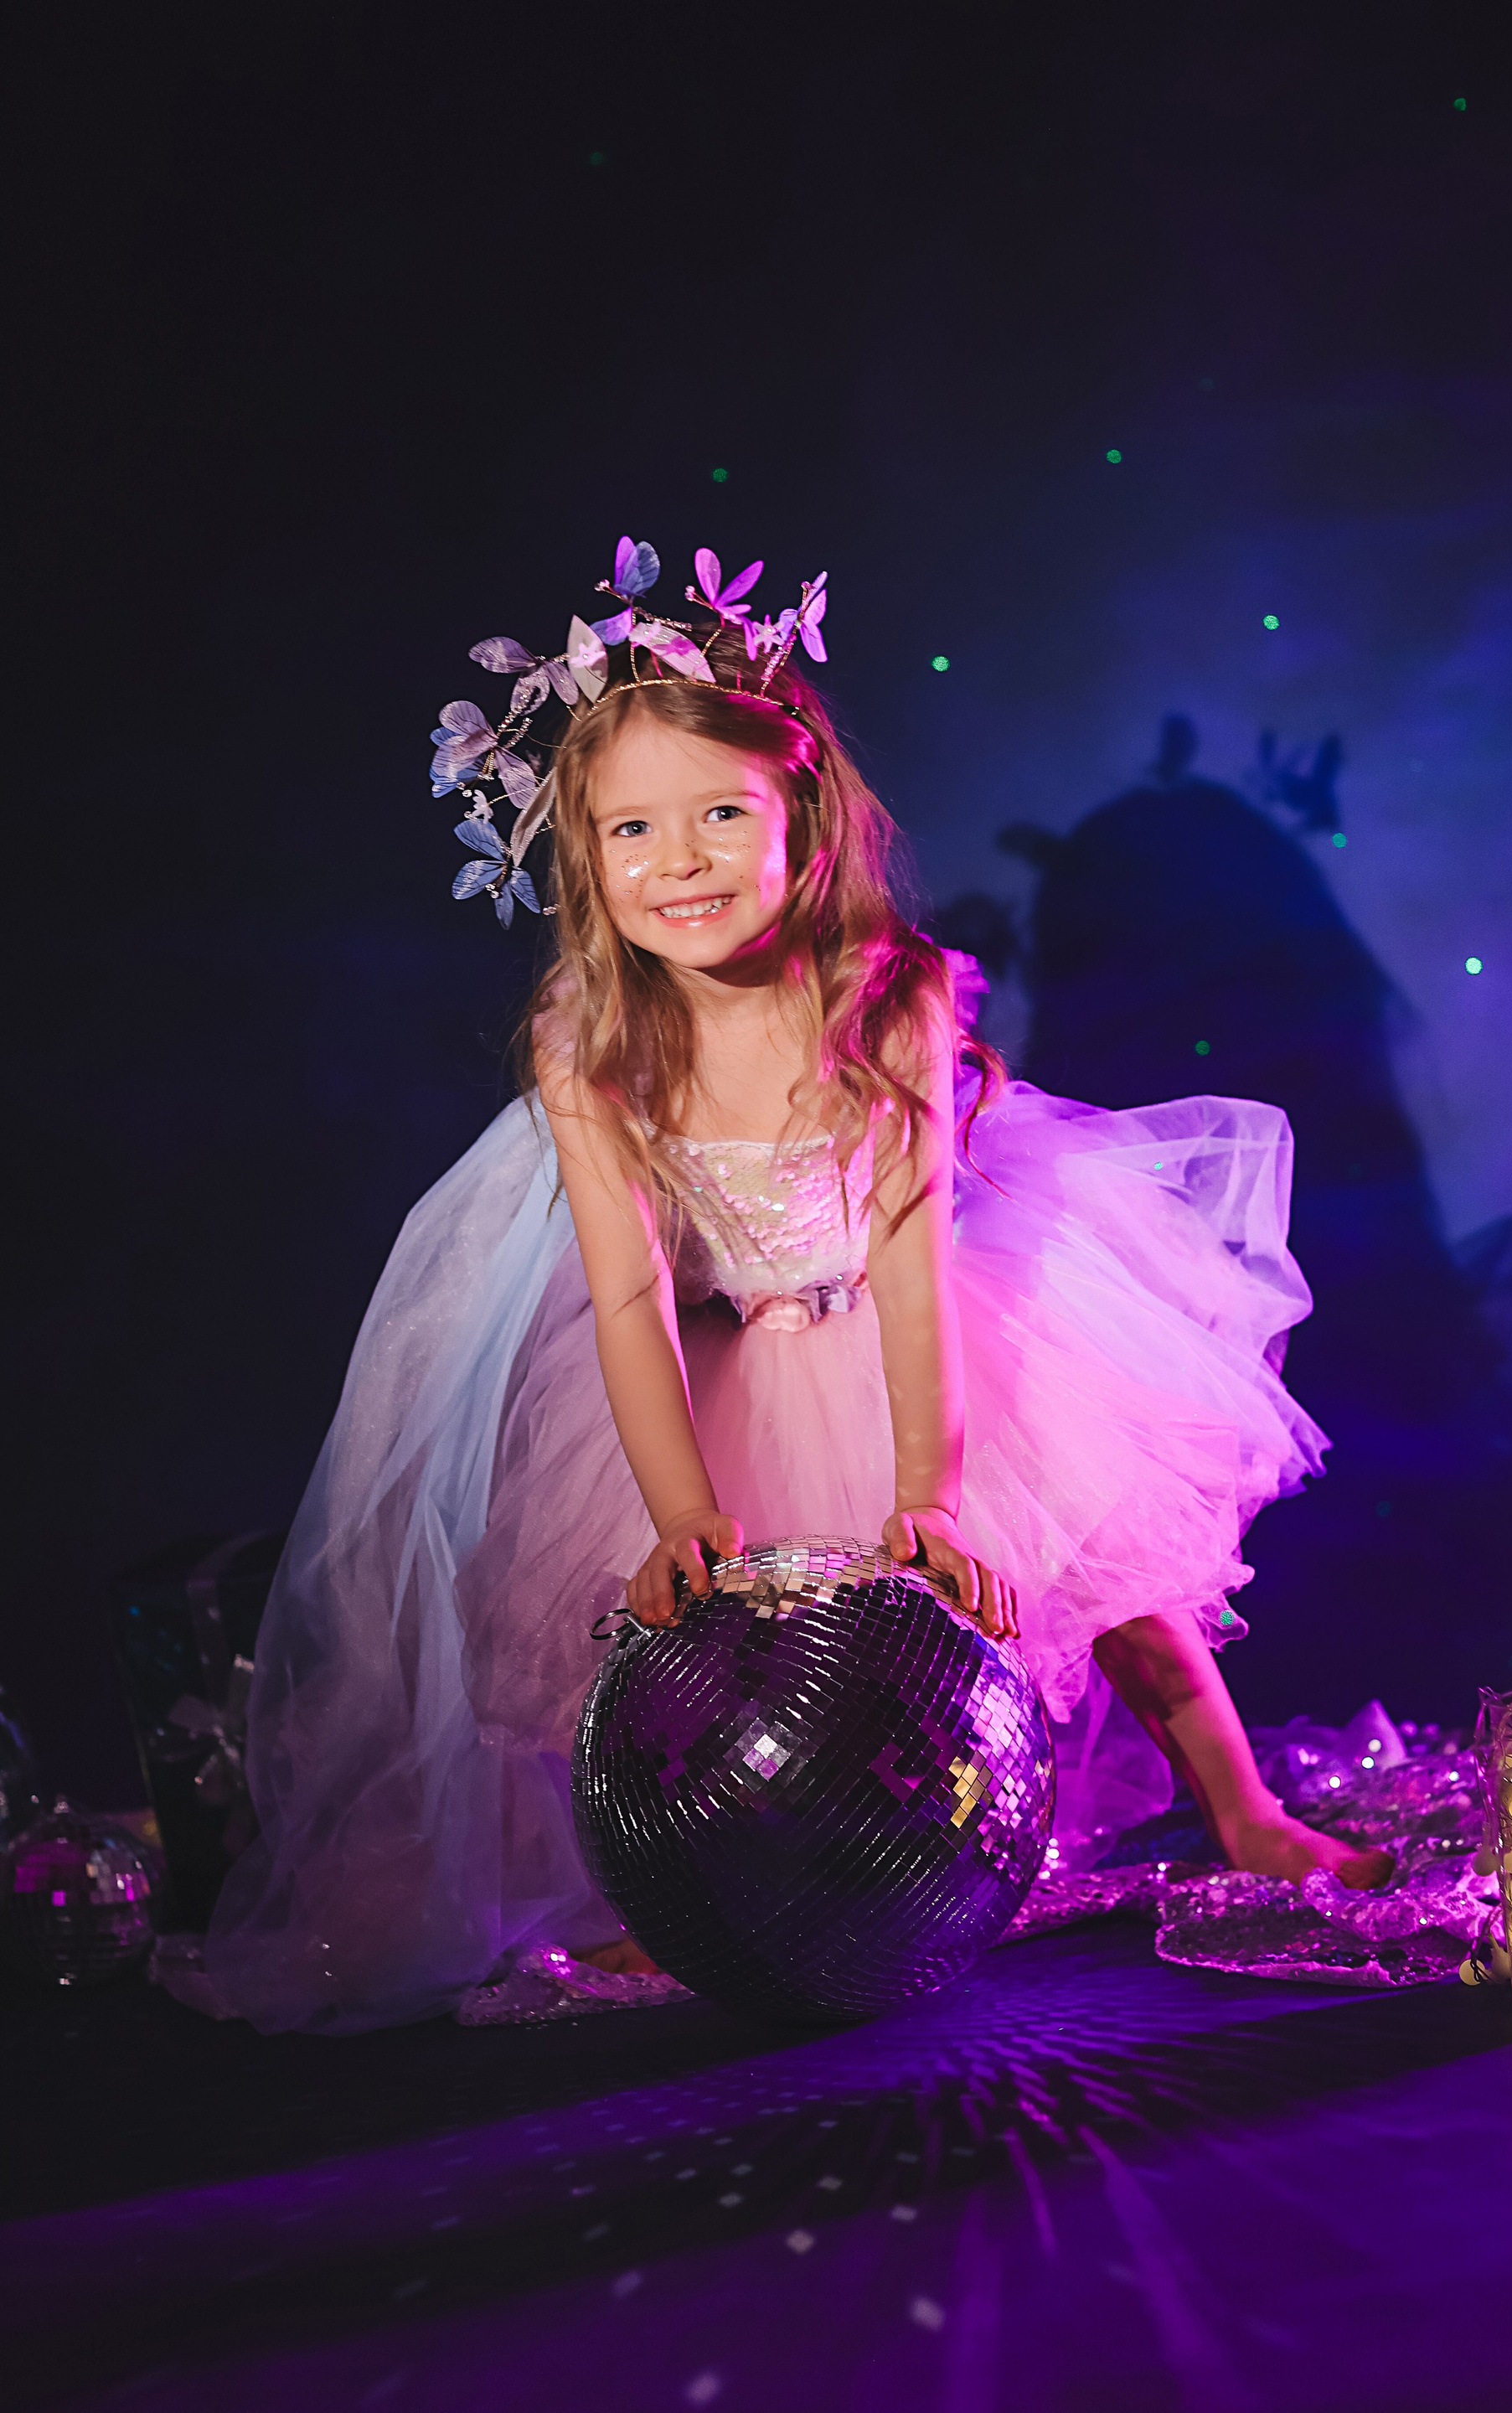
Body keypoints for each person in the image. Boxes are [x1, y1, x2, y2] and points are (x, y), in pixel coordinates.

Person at [208, 543, 1387, 2036]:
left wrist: (930, 1493)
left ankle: (1243, 1808)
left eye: (720, 814)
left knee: (1104, 1575)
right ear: (584, 859)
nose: (679, 859)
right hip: (716, 1359)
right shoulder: (588, 1039)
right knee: (642, 1650)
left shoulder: (886, 995)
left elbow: (910, 1256)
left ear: (801, 816)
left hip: (919, 1334)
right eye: (631, 829)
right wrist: (680, 1511)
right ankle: (667, 1894)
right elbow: (630, 1294)